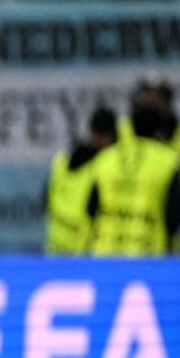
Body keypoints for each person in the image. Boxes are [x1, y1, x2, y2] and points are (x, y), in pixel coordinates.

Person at [87, 102, 180, 255]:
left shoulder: (106, 158)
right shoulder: (168, 161)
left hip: (106, 253)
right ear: (159, 129)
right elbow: (175, 216)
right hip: (149, 254)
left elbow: (91, 209)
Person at [44, 106, 116, 255]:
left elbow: (45, 199)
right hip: (82, 253)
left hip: (55, 247)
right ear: (110, 136)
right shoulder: (102, 168)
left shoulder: (62, 161)